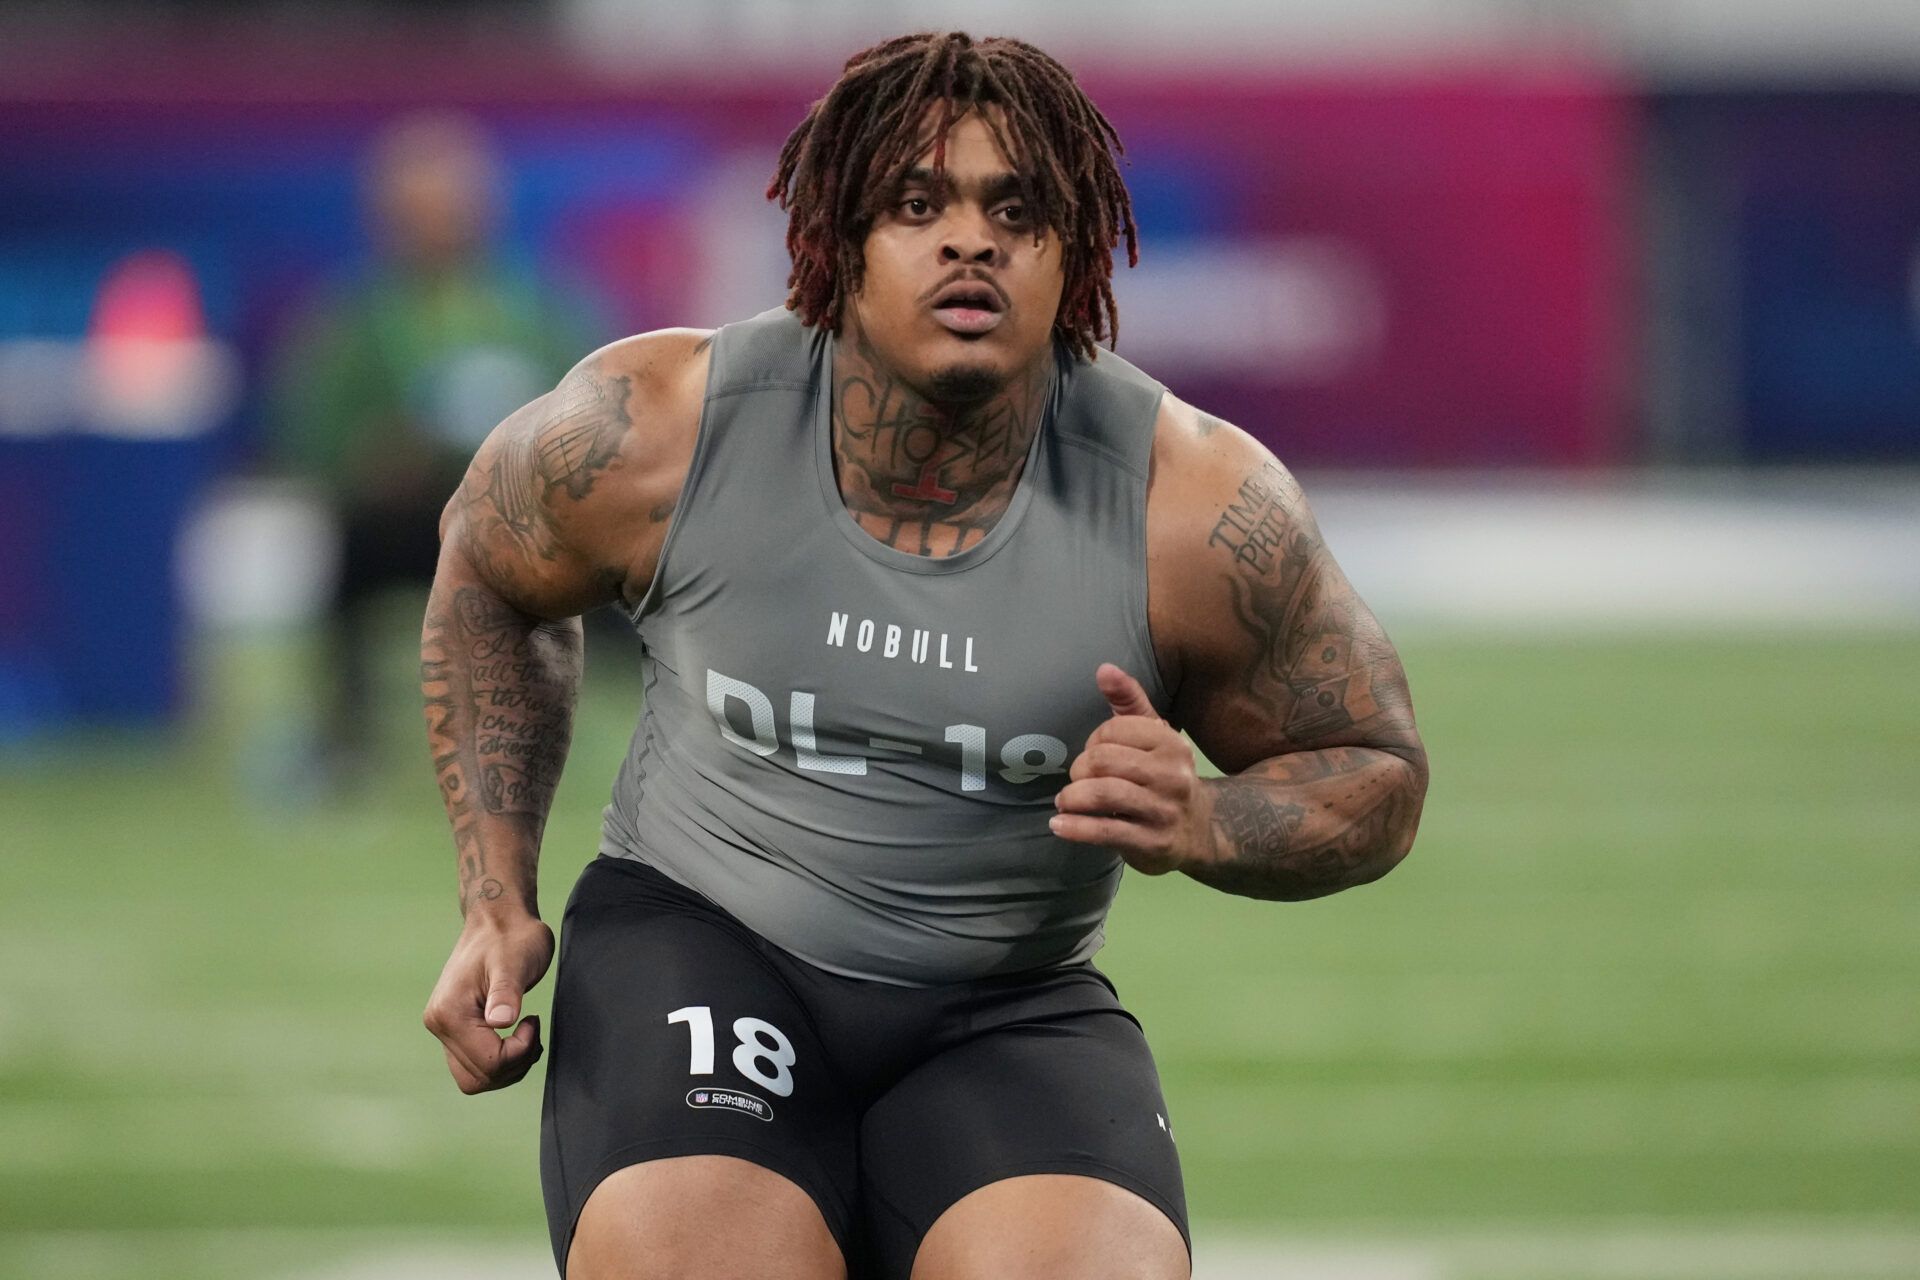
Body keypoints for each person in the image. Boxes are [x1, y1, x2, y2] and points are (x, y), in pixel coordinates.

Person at [420, 31, 1427, 1280]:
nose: (972, 240)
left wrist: (1211, 821)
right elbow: (486, 570)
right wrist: (495, 896)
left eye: (1018, 209)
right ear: (839, 243)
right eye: (918, 204)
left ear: (1075, 256)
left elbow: (1376, 764)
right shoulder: (661, 430)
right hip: (704, 941)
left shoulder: (1193, 504)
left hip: (1004, 999)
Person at [271, 111, 594, 775]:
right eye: (417, 210)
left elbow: (611, 416)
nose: (438, 224)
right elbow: (316, 438)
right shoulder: (355, 322)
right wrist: (374, 458)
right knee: (352, 548)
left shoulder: (544, 309)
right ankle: (344, 739)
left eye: (451, 205)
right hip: (414, 525)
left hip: (535, 526)